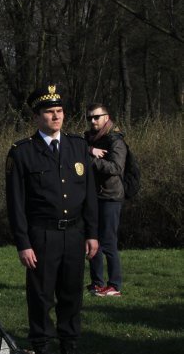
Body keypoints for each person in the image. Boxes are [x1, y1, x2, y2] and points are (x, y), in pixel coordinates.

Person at [5, 84, 98, 354]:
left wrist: (92, 233)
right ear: (37, 117)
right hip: (42, 236)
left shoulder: (78, 147)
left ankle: (69, 344)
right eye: (49, 112)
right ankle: (41, 345)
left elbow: (89, 195)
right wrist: (23, 242)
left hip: (74, 234)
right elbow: (16, 203)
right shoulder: (22, 152)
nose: (56, 117)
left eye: (59, 111)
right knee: (41, 296)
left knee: (72, 295)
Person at [84, 103, 126, 297]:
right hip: (94, 195)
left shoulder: (115, 140)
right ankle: (97, 283)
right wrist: (90, 150)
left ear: (106, 117)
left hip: (110, 197)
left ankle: (114, 285)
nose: (92, 121)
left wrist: (91, 159)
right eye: (90, 117)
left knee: (108, 242)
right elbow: (75, 148)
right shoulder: (89, 138)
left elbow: (116, 168)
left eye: (96, 117)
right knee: (93, 240)